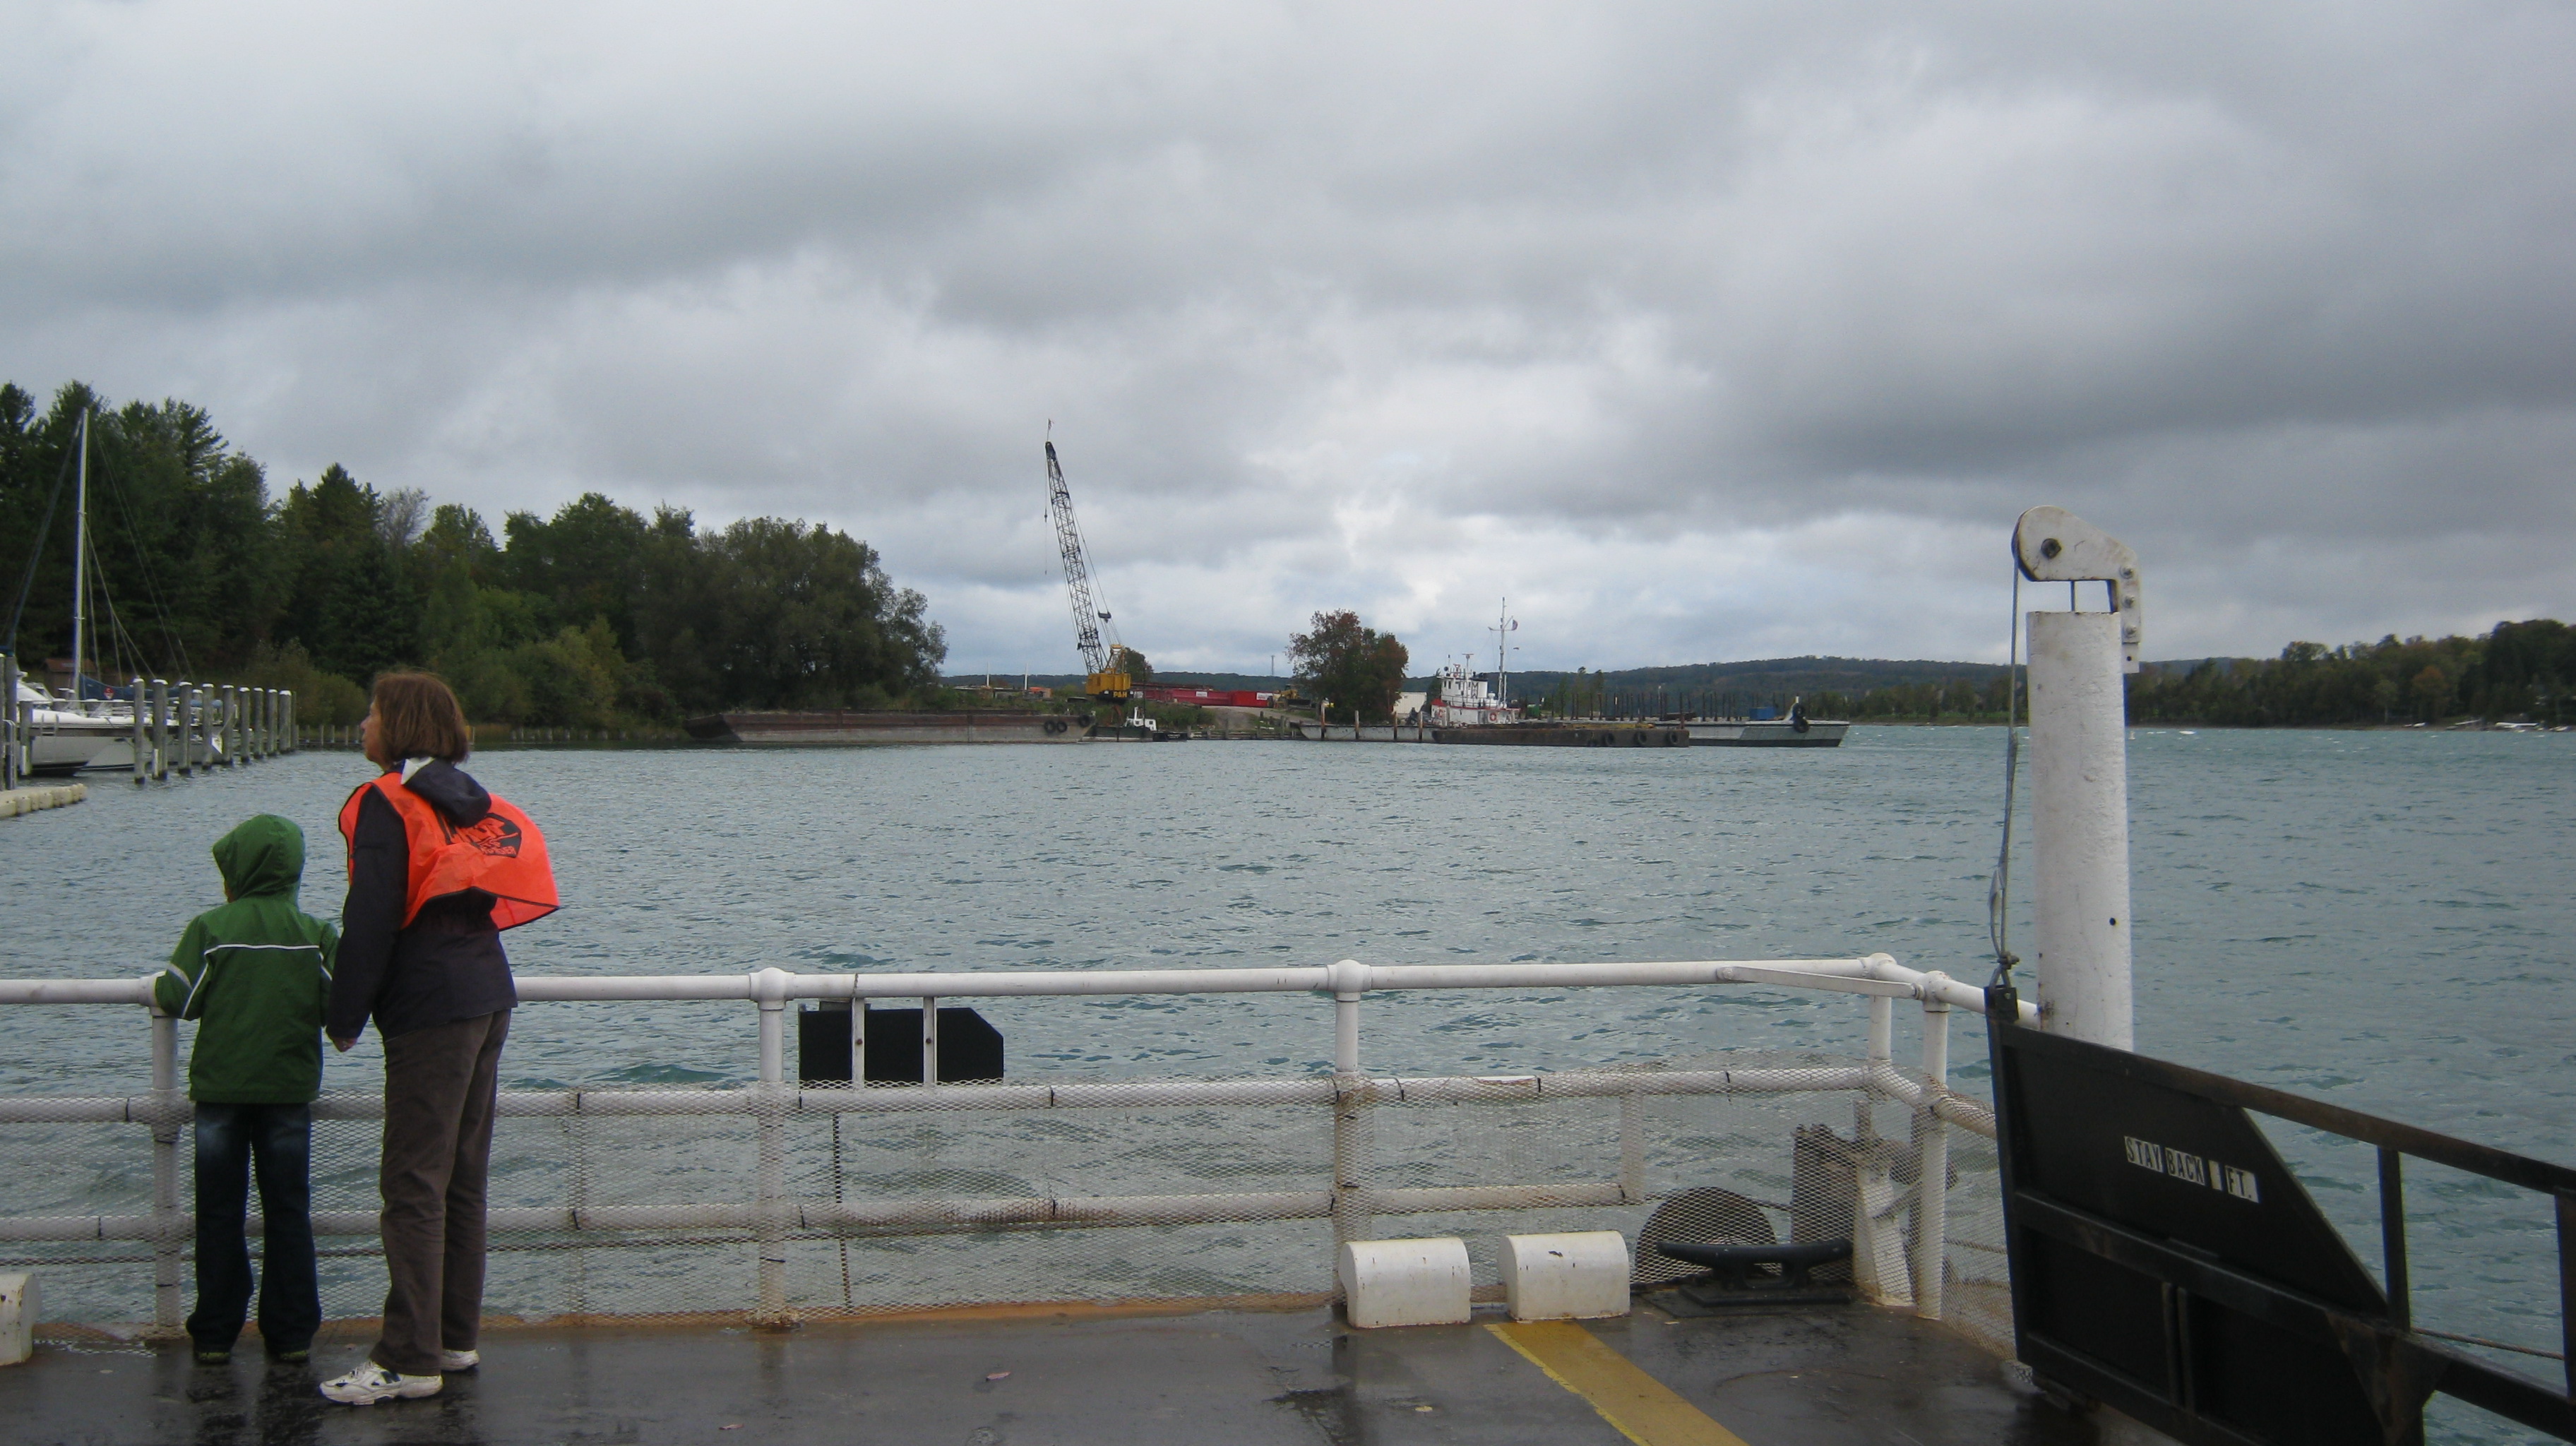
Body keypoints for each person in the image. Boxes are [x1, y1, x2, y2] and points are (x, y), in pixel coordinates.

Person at [318, 674, 556, 1407]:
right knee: (461, 1178)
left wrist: (344, 1012)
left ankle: (408, 1355)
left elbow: (373, 910)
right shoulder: (466, 802)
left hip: (430, 1004)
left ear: (399, 726)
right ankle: (454, 1336)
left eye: (371, 714)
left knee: (412, 1183)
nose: (362, 725)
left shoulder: (388, 802)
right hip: (489, 992)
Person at [154, 814, 338, 1367]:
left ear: (236, 869)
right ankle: (291, 1334)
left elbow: (175, 998)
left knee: (218, 1211)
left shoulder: (210, 930)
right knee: (288, 1210)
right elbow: (339, 1004)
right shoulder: (316, 935)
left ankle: (214, 1332)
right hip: (287, 1091)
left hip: (220, 1092)